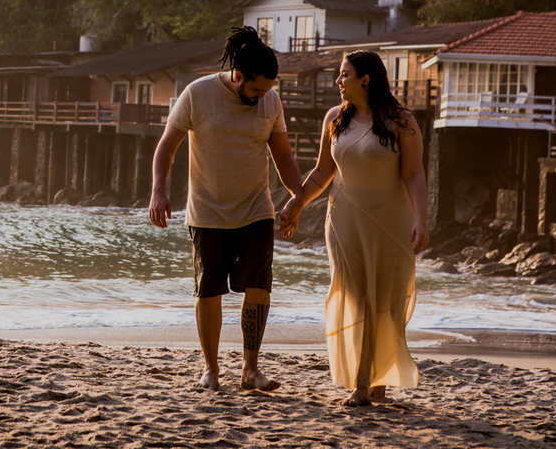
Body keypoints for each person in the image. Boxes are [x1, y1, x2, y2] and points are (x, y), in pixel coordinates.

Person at [148, 26, 303, 391]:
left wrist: (298, 197)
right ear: (238, 75)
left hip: (256, 209)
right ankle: (211, 369)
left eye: (267, 90)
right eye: (256, 89)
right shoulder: (197, 94)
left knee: (259, 286)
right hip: (207, 211)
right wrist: (158, 191)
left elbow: (283, 156)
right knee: (208, 290)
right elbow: (167, 145)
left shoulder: (271, 101)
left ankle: (251, 369)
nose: (262, 96)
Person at [278, 50, 429, 406]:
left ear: (365, 79)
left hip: (390, 223)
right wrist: (296, 202)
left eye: (344, 74)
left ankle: (379, 381)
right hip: (343, 222)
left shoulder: (401, 121)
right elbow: (322, 172)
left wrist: (421, 219)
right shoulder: (335, 118)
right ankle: (361, 384)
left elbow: (414, 174)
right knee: (356, 298)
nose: (338, 81)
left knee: (387, 302)